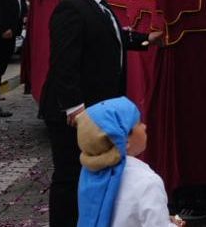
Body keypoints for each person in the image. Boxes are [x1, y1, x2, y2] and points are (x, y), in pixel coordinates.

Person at [40, 0, 162, 227]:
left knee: (89, 174)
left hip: (96, 111)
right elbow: (64, 62)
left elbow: (113, 38)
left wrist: (148, 40)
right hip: (75, 114)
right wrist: (75, 109)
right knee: (69, 177)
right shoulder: (72, 7)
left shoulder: (99, 4)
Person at [75, 97, 183, 227]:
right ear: (124, 140)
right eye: (138, 123)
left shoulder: (90, 172)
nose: (144, 126)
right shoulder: (147, 182)